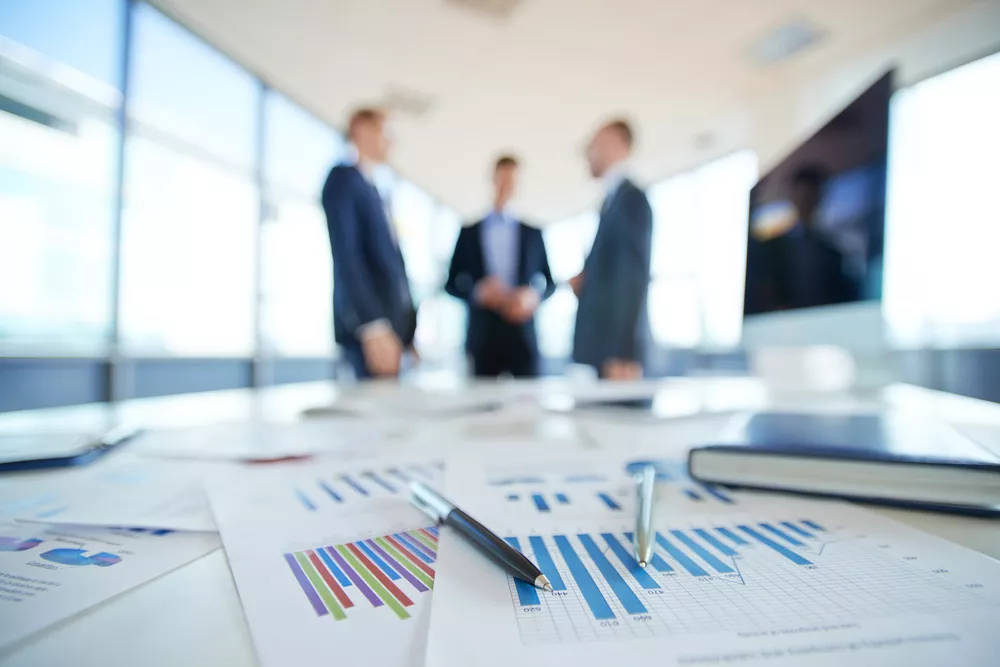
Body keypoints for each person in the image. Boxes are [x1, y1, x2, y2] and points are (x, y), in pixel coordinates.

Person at [322, 108, 416, 379]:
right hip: (371, 331)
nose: (391, 141)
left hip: (393, 330)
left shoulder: (375, 190)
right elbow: (346, 255)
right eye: (384, 132)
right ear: (360, 130)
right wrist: (372, 326)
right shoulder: (343, 179)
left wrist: (408, 334)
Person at [445, 155, 556, 377]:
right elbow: (450, 284)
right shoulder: (469, 232)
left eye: (512, 181)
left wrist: (532, 296)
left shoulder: (533, 234)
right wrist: (478, 292)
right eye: (502, 179)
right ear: (493, 180)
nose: (506, 185)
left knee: (528, 406)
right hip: (483, 335)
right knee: (482, 406)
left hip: (523, 334)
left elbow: (549, 283)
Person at [571, 119, 652, 381]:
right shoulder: (611, 202)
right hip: (602, 352)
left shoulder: (631, 199)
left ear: (616, 143)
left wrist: (623, 352)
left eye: (594, 145)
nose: (588, 153)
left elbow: (631, 277)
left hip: (617, 359)